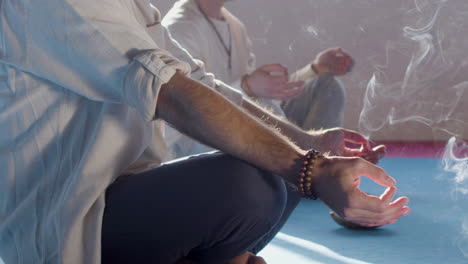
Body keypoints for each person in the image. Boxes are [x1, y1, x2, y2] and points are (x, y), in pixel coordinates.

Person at [0, 1, 410, 264]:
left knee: (277, 176)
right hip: (62, 225)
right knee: (254, 181)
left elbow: (204, 82)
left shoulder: (142, 7)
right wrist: (311, 168)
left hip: (129, 189)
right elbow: (176, 94)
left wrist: (312, 144)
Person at [162, 0, 354, 157]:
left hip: (245, 127)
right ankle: (310, 165)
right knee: (262, 104)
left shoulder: (234, 26)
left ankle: (325, 159)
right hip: (194, 141)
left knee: (326, 86)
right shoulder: (179, 28)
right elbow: (189, 108)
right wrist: (246, 88)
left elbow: (259, 99)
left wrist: (313, 70)